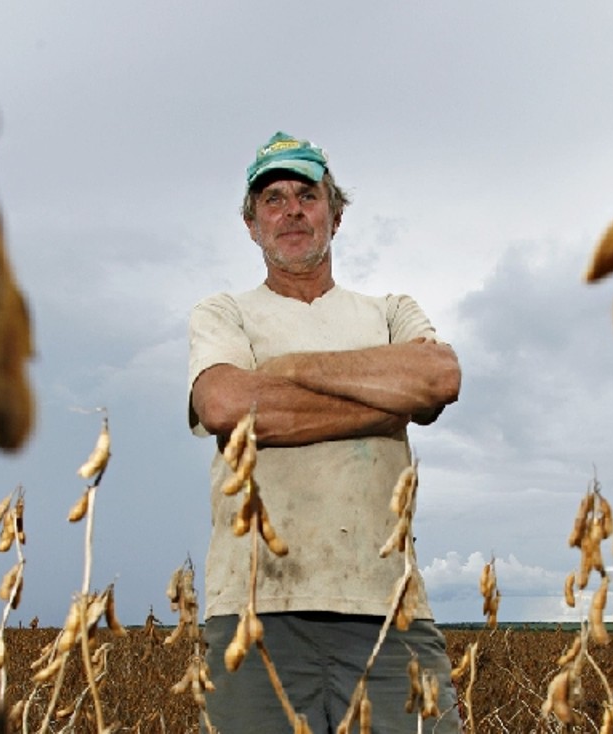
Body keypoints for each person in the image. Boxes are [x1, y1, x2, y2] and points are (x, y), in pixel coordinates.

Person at [187, 131, 463, 733]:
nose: (291, 210)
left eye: (307, 196)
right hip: (255, 609)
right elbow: (226, 405)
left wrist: (287, 372)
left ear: (335, 216)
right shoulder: (224, 313)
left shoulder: (389, 310)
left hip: (390, 608)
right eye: (272, 199)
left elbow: (439, 376)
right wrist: (387, 404)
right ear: (252, 224)